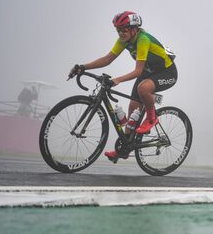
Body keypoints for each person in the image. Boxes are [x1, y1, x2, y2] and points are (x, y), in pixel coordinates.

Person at [69, 11, 177, 161]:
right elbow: (107, 59)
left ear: (134, 29)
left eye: (124, 30)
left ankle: (152, 119)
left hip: (166, 73)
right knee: (133, 109)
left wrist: (118, 79)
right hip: (147, 72)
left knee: (143, 88)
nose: (121, 33)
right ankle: (124, 149)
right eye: (118, 30)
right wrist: (83, 67)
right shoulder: (123, 40)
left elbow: (137, 71)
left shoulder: (143, 40)